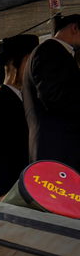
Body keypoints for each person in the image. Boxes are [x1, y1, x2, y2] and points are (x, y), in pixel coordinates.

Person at [0, 33, 40, 196]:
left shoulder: (30, 98)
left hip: (35, 186)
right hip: (15, 191)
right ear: (25, 61)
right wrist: (3, 194)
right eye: (33, 62)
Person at [23, 13, 80, 169]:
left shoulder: (57, 53)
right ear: (74, 28)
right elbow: (54, 97)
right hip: (59, 150)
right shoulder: (50, 51)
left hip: (59, 149)